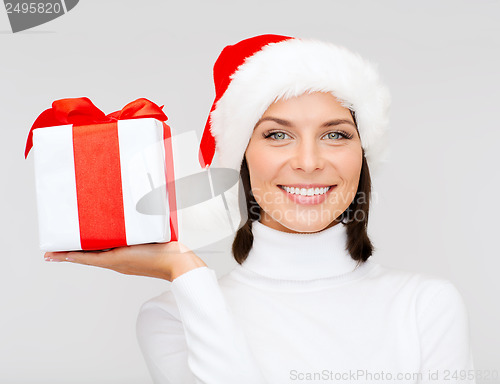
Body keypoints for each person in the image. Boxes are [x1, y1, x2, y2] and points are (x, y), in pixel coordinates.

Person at [44, 34, 476, 384]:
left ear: (362, 155)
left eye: (337, 135)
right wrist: (186, 273)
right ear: (242, 158)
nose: (309, 162)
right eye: (277, 136)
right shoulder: (175, 315)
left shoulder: (425, 305)